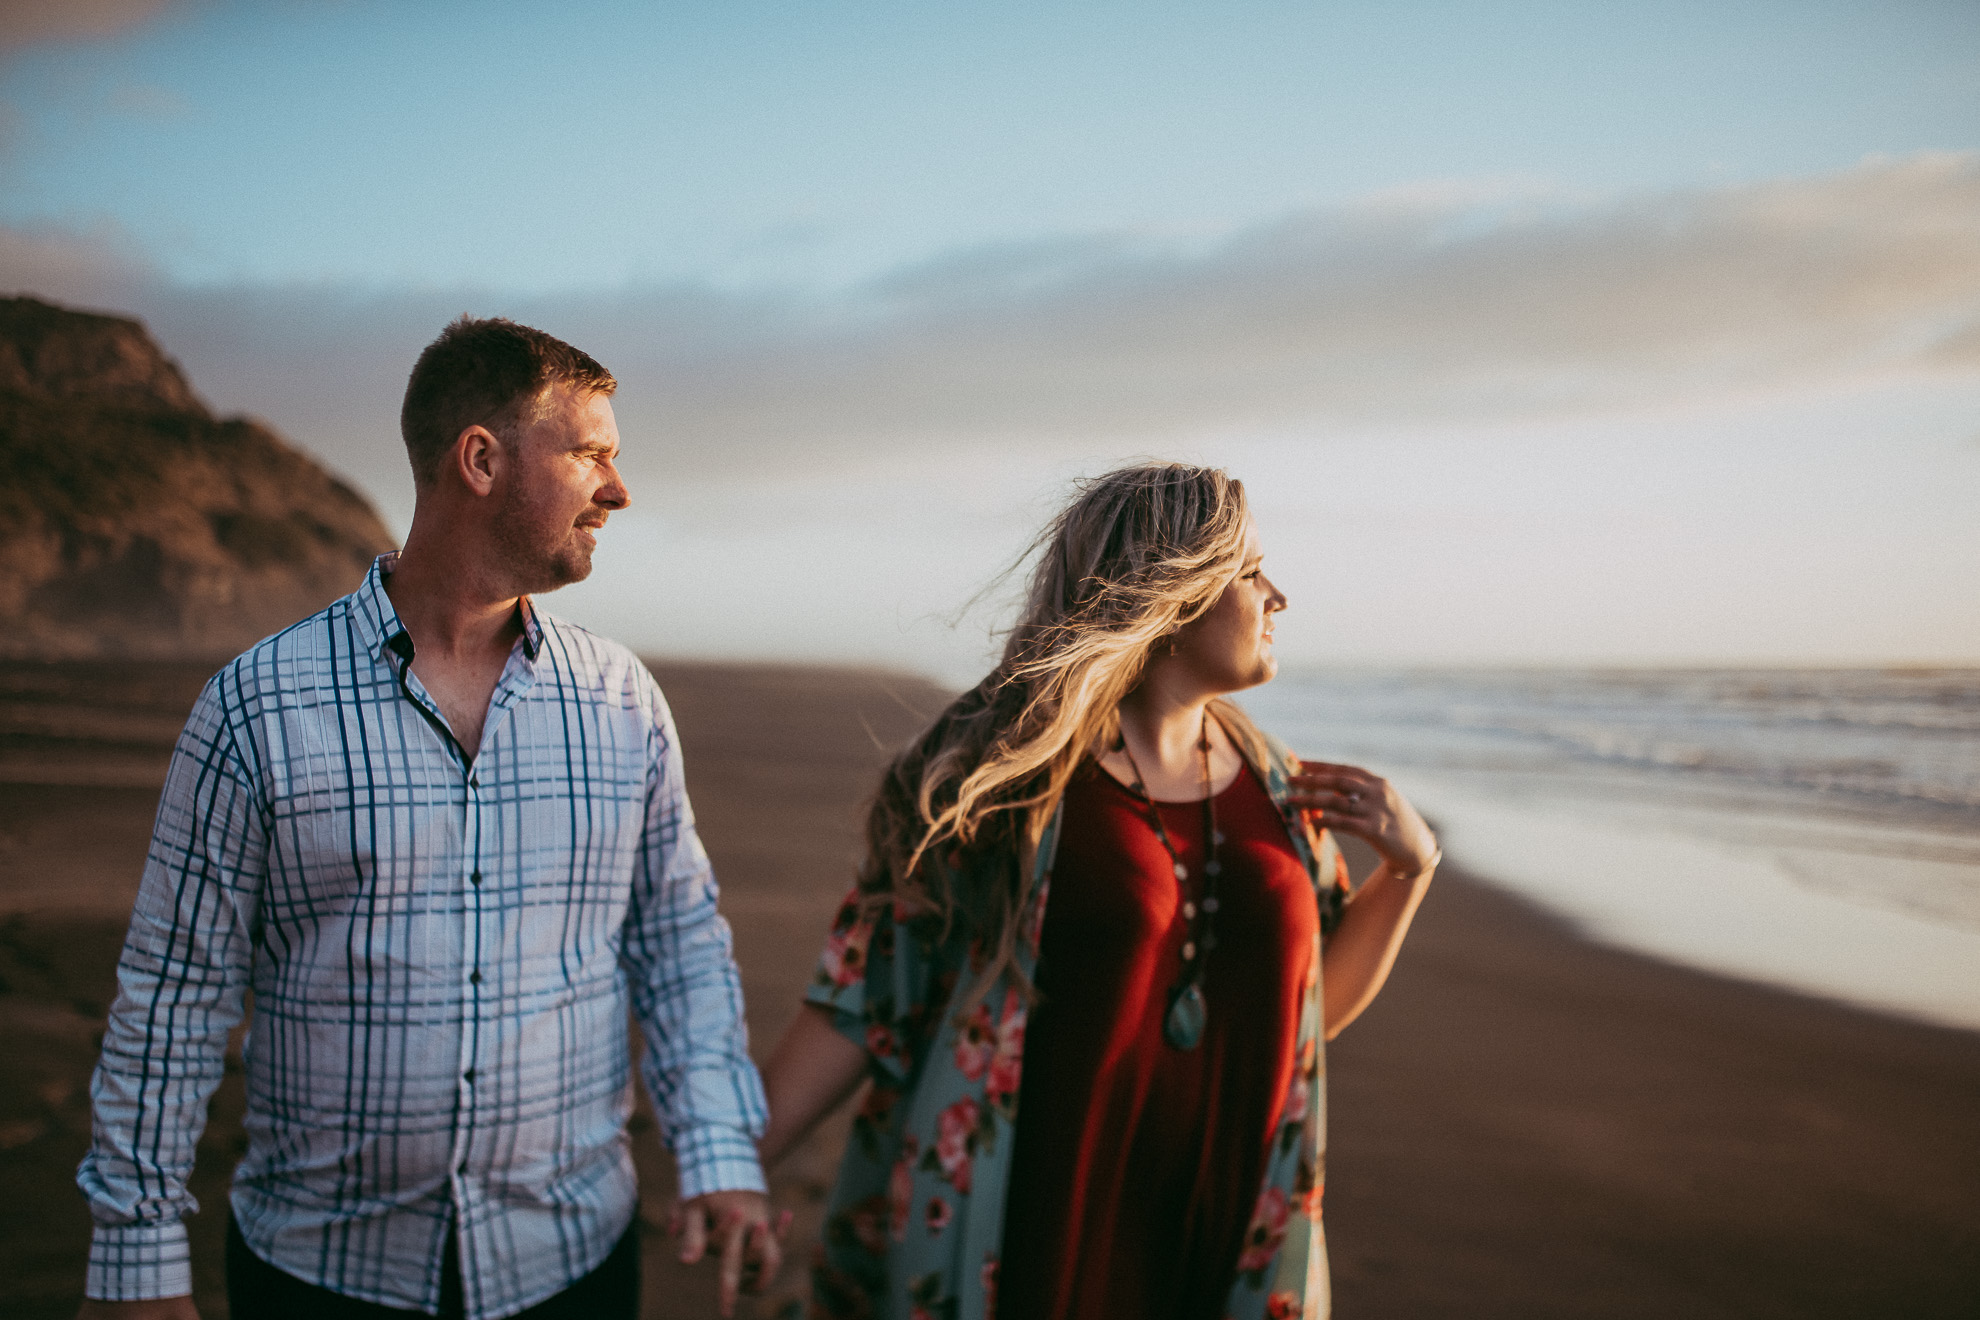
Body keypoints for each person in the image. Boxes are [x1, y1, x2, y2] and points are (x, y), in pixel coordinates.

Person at [76, 317, 783, 1320]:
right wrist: (136, 1266)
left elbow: (677, 943)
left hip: (574, 1266)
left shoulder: (621, 701)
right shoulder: (257, 708)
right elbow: (173, 996)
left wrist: (716, 1149)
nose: (618, 490)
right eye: (591, 454)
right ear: (482, 459)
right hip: (320, 1277)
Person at [755, 463, 1439, 1320]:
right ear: (1171, 592)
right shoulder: (1007, 787)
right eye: (1250, 571)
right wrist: (729, 1177)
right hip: (1039, 1233)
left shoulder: (1279, 788)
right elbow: (865, 994)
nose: (1278, 596)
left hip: (1224, 1231)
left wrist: (1409, 871)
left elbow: (1301, 1016)